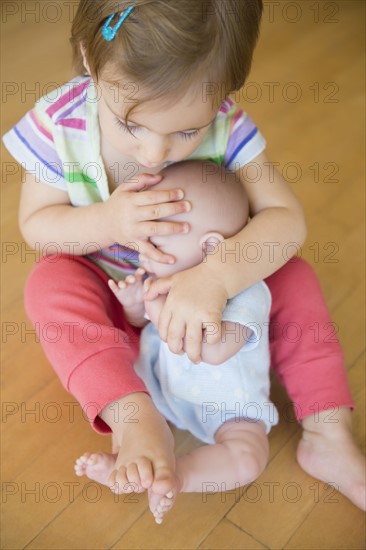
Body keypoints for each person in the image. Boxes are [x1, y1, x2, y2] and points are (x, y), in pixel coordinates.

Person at [2, 0, 364, 515]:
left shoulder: (225, 122)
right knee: (48, 285)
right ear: (89, 58)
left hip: (209, 289)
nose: (155, 153)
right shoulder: (59, 125)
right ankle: (132, 414)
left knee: (295, 276)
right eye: (131, 125)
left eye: (186, 132)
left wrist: (215, 277)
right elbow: (38, 226)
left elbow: (287, 220)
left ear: (222, 94)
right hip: (113, 294)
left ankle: (327, 430)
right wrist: (109, 222)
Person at [75, 160, 279, 523]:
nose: (142, 250)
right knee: (133, 413)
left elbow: (214, 350)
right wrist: (136, 306)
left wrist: (154, 306)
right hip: (161, 392)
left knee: (248, 459)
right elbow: (140, 326)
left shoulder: (249, 291)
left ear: (211, 245)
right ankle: (131, 461)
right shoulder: (158, 279)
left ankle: (178, 474)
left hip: (230, 410)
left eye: (155, 241)